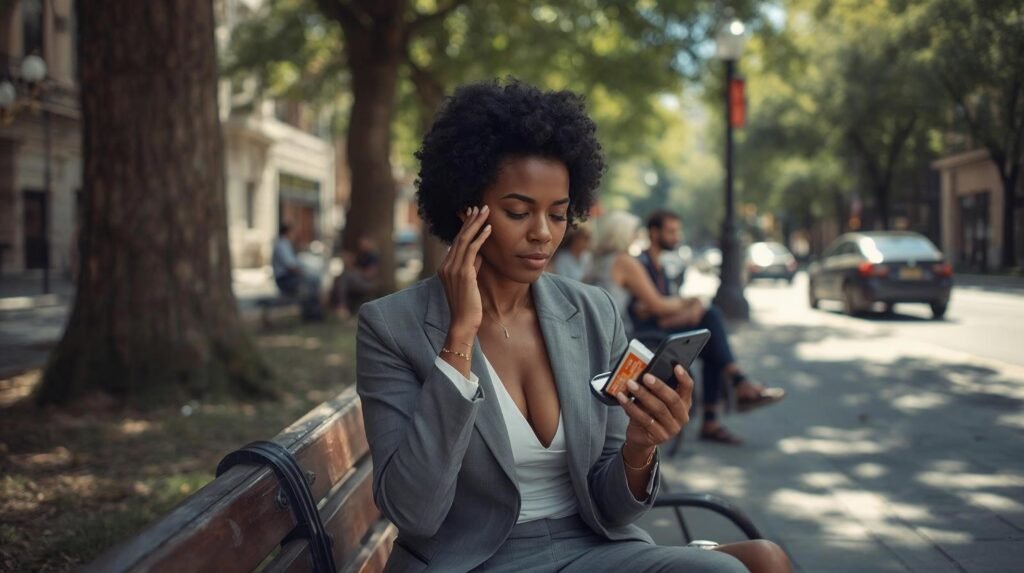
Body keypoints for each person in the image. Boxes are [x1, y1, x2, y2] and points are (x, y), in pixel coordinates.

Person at [356, 79, 791, 572]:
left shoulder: (591, 311)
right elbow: (415, 511)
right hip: (474, 559)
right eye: (518, 212)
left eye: (559, 214)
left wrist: (640, 447)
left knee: (745, 565)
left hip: (593, 547)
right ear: (466, 210)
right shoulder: (392, 327)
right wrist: (458, 340)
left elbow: (614, 506)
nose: (543, 233)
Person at [591, 210, 785, 446]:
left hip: (624, 335)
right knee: (710, 323)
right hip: (633, 339)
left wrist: (686, 308)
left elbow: (654, 306)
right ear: (621, 235)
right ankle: (736, 387)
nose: (636, 236)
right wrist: (692, 303)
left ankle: (724, 403)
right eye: (633, 232)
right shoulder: (626, 261)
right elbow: (656, 306)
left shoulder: (602, 263)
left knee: (709, 337)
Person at [272, 223, 323, 321]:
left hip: (289, 277)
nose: (294, 235)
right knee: (311, 282)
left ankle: (313, 313)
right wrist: (304, 273)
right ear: (288, 232)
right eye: (293, 232)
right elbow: (291, 266)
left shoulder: (285, 244)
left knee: (312, 282)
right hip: (285, 279)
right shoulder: (282, 245)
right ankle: (312, 315)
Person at [330, 234, 380, 317]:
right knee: (341, 277)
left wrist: (357, 271)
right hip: (357, 281)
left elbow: (370, 275)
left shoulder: (372, 255)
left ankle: (342, 306)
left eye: (363, 242)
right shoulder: (361, 255)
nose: (361, 244)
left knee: (345, 276)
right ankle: (339, 305)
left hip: (367, 283)